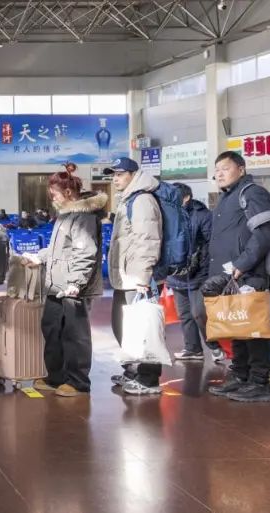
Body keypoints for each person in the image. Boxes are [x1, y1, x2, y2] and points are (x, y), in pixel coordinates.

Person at [204, 151, 270, 403]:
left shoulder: (252, 193)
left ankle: (259, 382)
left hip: (249, 273)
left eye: (225, 168)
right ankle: (240, 376)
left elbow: (265, 232)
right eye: (217, 170)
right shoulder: (227, 198)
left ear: (241, 169)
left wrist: (243, 263)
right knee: (238, 326)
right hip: (230, 275)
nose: (219, 174)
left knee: (254, 329)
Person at [27, 164, 106, 396]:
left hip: (73, 287)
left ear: (68, 192)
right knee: (52, 329)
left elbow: (85, 252)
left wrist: (76, 283)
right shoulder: (64, 215)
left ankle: (78, 382)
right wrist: (39, 257)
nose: (51, 197)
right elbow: (58, 250)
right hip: (55, 285)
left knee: (75, 335)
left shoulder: (83, 217)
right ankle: (56, 377)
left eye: (54, 193)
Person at [104, 156, 164, 396]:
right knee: (123, 326)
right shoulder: (128, 199)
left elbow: (148, 239)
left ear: (133, 175)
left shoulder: (142, 200)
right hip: (125, 276)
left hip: (137, 277)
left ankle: (149, 379)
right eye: (113, 175)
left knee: (143, 329)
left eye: (119, 174)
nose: (115, 179)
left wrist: (143, 276)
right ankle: (133, 370)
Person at [169, 183, 224, 364]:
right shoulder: (169, 214)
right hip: (176, 273)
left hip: (199, 273)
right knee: (184, 314)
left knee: (198, 313)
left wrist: (206, 267)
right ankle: (192, 348)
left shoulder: (203, 215)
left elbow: (212, 243)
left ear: (186, 198)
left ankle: (214, 346)